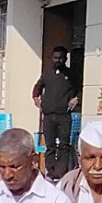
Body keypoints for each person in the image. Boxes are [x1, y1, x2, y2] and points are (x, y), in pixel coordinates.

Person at [33, 45, 79, 179]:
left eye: (60, 58)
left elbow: (81, 89)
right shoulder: (47, 74)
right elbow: (37, 87)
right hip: (48, 115)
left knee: (64, 145)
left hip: (64, 115)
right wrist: (36, 98)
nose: (57, 60)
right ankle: (51, 172)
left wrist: (76, 99)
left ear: (65, 59)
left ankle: (61, 173)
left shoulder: (71, 74)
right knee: (50, 146)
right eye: (55, 58)